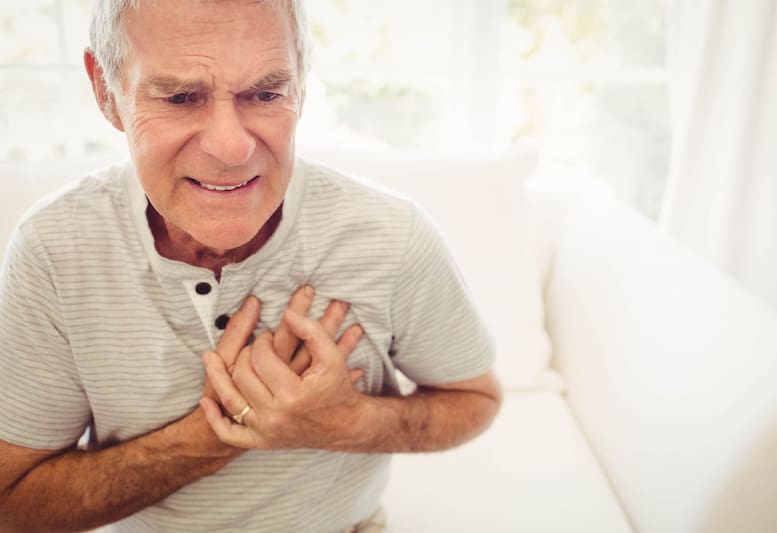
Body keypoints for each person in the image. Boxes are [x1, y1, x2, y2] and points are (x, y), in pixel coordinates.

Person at [0, 0, 501, 531]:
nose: (232, 147)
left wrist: (349, 422)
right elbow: (11, 504)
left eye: (265, 93)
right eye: (180, 97)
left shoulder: (393, 235)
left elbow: (476, 399)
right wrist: (213, 435)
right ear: (105, 89)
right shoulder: (54, 249)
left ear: (302, 85)